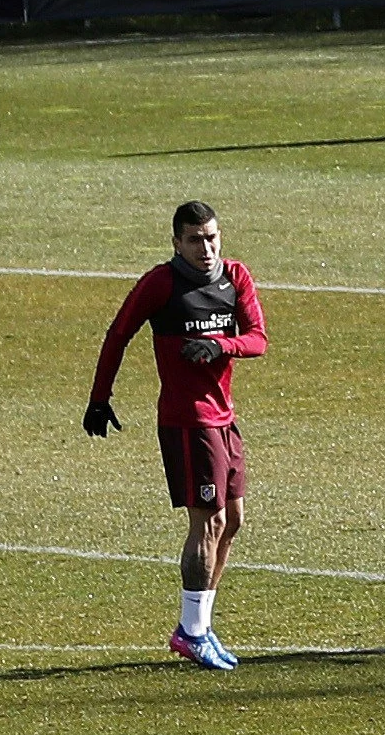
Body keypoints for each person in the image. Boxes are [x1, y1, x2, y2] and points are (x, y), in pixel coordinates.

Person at [89, 202, 272, 671]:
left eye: (211, 237)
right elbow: (119, 333)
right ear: (176, 243)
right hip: (187, 420)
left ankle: (201, 627)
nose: (205, 248)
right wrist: (99, 397)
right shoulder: (161, 284)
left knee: (232, 520)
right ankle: (190, 633)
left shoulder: (236, 277)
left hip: (224, 418)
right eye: (194, 239)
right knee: (206, 522)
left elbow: (257, 339)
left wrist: (220, 344)